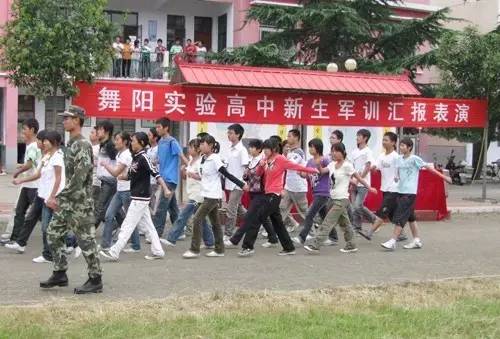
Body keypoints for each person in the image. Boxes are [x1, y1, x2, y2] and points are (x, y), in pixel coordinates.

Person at [40, 105, 102, 294]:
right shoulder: (71, 143)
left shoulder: (82, 145)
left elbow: (80, 177)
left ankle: (95, 279)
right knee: (53, 234)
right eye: (64, 117)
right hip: (68, 202)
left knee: (86, 242)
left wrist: (59, 196)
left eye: (68, 118)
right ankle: (60, 273)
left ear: (77, 121)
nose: (64, 120)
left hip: (80, 203)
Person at [239, 138, 318, 257]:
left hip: (274, 195)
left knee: (257, 218)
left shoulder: (280, 159)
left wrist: (312, 170)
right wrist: (260, 166)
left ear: (274, 149)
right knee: (278, 223)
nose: (264, 151)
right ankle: (289, 247)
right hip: (267, 193)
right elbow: (258, 174)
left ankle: (247, 247)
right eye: (264, 148)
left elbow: (296, 166)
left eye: (267, 148)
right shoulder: (265, 159)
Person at [99, 132, 172, 262]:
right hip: (137, 196)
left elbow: (156, 174)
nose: (131, 143)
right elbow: (132, 175)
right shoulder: (136, 157)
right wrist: (123, 177)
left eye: (134, 141)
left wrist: (165, 189)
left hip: (141, 197)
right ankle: (158, 251)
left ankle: (114, 251)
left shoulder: (144, 158)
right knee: (149, 226)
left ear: (142, 143)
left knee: (127, 225)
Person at [182, 135, 249, 259]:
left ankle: (194, 249)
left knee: (197, 219)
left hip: (213, 196)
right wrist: (193, 175)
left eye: (204, 144)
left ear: (211, 145)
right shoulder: (203, 159)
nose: (201, 146)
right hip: (205, 194)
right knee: (215, 223)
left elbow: (226, 174)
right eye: (200, 144)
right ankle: (219, 249)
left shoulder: (215, 159)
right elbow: (204, 176)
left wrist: (241, 184)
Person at [304, 143, 377, 254]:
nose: (333, 153)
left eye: (336, 151)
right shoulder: (332, 165)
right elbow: (322, 171)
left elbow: (359, 178)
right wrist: (318, 165)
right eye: (332, 151)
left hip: (342, 199)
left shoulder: (347, 165)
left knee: (328, 222)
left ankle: (316, 244)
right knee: (345, 223)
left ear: (342, 152)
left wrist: (369, 188)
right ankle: (351, 245)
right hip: (332, 198)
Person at [380, 137, 451, 251]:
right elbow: (396, 171)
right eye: (401, 145)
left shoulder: (414, 159)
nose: (401, 147)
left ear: (409, 148)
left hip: (410, 192)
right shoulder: (399, 159)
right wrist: (396, 178)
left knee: (400, 216)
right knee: (410, 217)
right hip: (401, 191)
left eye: (404, 146)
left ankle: (392, 241)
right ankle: (417, 240)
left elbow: (429, 168)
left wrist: (444, 177)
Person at [224, 138, 279, 249]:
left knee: (249, 217)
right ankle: (273, 238)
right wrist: (246, 177)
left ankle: (235, 240)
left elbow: (261, 176)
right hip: (253, 192)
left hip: (262, 193)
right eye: (250, 147)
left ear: (259, 149)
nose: (250, 149)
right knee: (262, 217)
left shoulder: (262, 161)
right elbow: (248, 176)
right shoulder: (252, 160)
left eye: (252, 147)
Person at [162, 138, 214, 248]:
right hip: (192, 193)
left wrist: (192, 174)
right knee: (201, 219)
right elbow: (186, 178)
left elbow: (203, 177)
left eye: (191, 147)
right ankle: (210, 241)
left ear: (198, 149)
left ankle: (172, 238)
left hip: (198, 195)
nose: (189, 150)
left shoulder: (201, 162)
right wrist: (183, 172)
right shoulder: (190, 161)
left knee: (183, 215)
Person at [1, 118, 41, 248]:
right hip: (27, 185)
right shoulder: (32, 146)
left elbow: (29, 164)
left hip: (34, 186)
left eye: (24, 129)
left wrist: (18, 173)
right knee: (19, 211)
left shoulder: (34, 146)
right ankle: (16, 240)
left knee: (40, 216)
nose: (22, 132)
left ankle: (69, 241)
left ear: (32, 130)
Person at [358, 132, 403, 241]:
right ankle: (402, 234)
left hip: (394, 189)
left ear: (393, 143)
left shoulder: (396, 157)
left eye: (386, 140)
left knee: (382, 212)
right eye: (383, 140)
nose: (384, 142)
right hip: (385, 188)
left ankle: (370, 232)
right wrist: (372, 168)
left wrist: (398, 180)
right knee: (392, 215)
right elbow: (375, 168)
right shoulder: (382, 156)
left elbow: (401, 172)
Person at [293, 138, 338, 245]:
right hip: (316, 192)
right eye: (309, 147)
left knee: (309, 214)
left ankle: (302, 237)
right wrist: (300, 172)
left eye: (311, 147)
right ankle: (333, 237)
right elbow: (305, 175)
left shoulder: (325, 160)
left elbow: (331, 171)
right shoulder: (310, 161)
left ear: (317, 148)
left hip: (323, 192)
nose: (310, 149)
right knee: (324, 216)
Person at [100, 132, 140, 252]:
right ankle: (106, 244)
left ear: (125, 142)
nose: (115, 142)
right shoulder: (120, 154)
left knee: (130, 218)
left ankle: (136, 245)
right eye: (115, 139)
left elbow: (116, 173)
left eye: (117, 139)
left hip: (127, 191)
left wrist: (105, 164)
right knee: (108, 215)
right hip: (120, 189)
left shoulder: (126, 155)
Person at [153, 117, 188, 239]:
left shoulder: (172, 142)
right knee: (172, 208)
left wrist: (191, 167)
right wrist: (154, 162)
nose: (157, 129)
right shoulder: (160, 142)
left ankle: (156, 234)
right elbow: (159, 158)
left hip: (170, 179)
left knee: (162, 207)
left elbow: (182, 156)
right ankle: (180, 232)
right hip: (163, 178)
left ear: (166, 128)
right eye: (156, 127)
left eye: (159, 127)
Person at [279, 129, 309, 233]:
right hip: (289, 187)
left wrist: (284, 157)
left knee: (304, 212)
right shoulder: (289, 152)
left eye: (290, 136)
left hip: (298, 187)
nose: (288, 138)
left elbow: (289, 164)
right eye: (288, 136)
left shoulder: (299, 152)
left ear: (296, 138)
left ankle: (312, 232)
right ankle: (274, 233)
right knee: (281, 208)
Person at [223, 124, 249, 237]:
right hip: (229, 183)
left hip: (238, 185)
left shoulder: (242, 150)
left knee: (231, 209)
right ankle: (256, 223)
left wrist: (244, 183)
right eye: (228, 133)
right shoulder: (229, 149)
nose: (228, 135)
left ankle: (228, 234)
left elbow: (246, 168)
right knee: (239, 209)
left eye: (231, 133)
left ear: (238, 134)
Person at [349, 129, 377, 232]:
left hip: (363, 184)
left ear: (365, 138)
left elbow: (368, 166)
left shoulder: (368, 151)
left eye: (359, 136)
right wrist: (352, 181)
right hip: (354, 182)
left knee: (357, 206)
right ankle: (357, 226)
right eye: (357, 135)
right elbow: (352, 167)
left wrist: (359, 180)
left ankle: (374, 219)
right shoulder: (354, 152)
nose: (357, 137)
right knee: (354, 207)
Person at [94, 120, 118, 229]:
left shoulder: (110, 145)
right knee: (114, 209)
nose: (97, 131)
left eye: (100, 129)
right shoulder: (103, 144)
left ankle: (88, 234)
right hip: (105, 180)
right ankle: (121, 228)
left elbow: (117, 161)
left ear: (106, 131)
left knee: (100, 208)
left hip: (109, 181)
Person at [146, 127, 161, 215]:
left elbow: (160, 160)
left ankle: (152, 216)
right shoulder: (148, 149)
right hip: (148, 178)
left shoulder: (159, 149)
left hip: (154, 178)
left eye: (149, 135)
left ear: (155, 138)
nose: (148, 137)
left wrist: (151, 162)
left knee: (150, 198)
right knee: (150, 198)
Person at [89, 127, 101, 211]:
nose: (90, 134)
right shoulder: (91, 147)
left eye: (92, 133)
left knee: (93, 204)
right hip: (91, 179)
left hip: (95, 180)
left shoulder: (98, 148)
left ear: (97, 136)